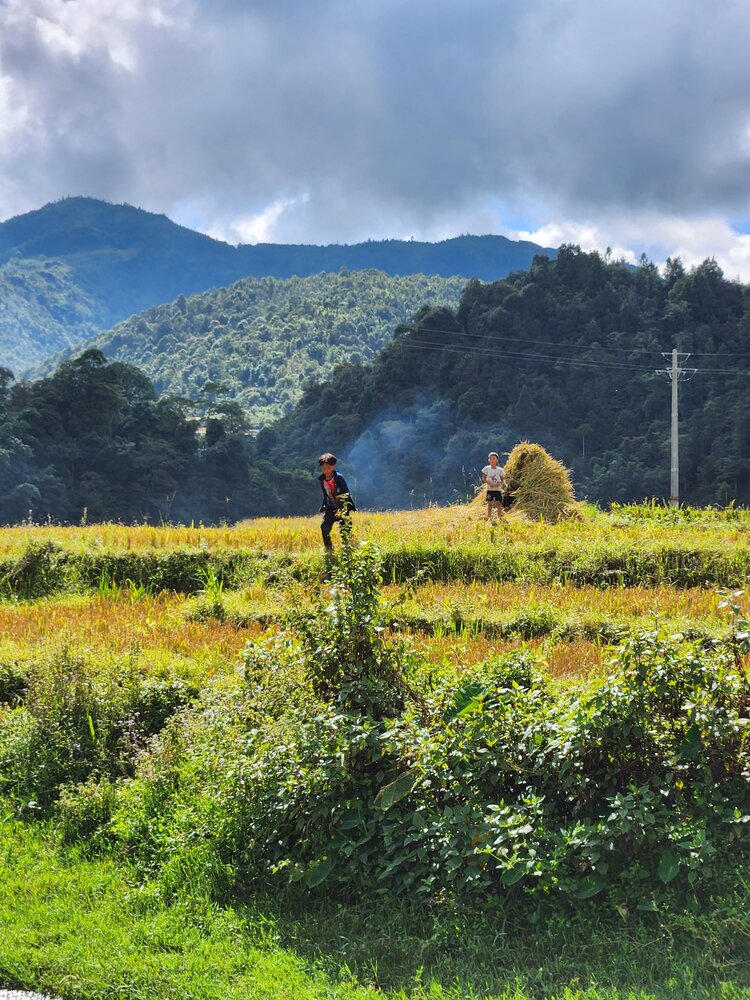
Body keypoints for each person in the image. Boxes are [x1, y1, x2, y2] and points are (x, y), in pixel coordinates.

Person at [317, 453, 356, 550]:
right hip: (331, 507)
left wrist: (342, 509)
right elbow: (325, 494)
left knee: (345, 529)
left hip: (342, 507)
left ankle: (347, 549)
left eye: (328, 468)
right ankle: (329, 549)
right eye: (323, 468)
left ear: (333, 466)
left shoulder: (338, 478)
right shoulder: (322, 479)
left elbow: (346, 493)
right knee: (324, 527)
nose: (326, 470)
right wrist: (324, 506)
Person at [481, 451, 506, 520]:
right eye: (490, 458)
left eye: (493, 458)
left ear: (497, 460)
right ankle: (489, 517)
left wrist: (498, 484)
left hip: (498, 490)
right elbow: (483, 478)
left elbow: (502, 479)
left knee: (498, 503)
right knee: (490, 504)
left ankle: (499, 517)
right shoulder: (486, 468)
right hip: (489, 489)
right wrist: (489, 483)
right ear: (488, 460)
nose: (492, 460)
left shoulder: (500, 470)